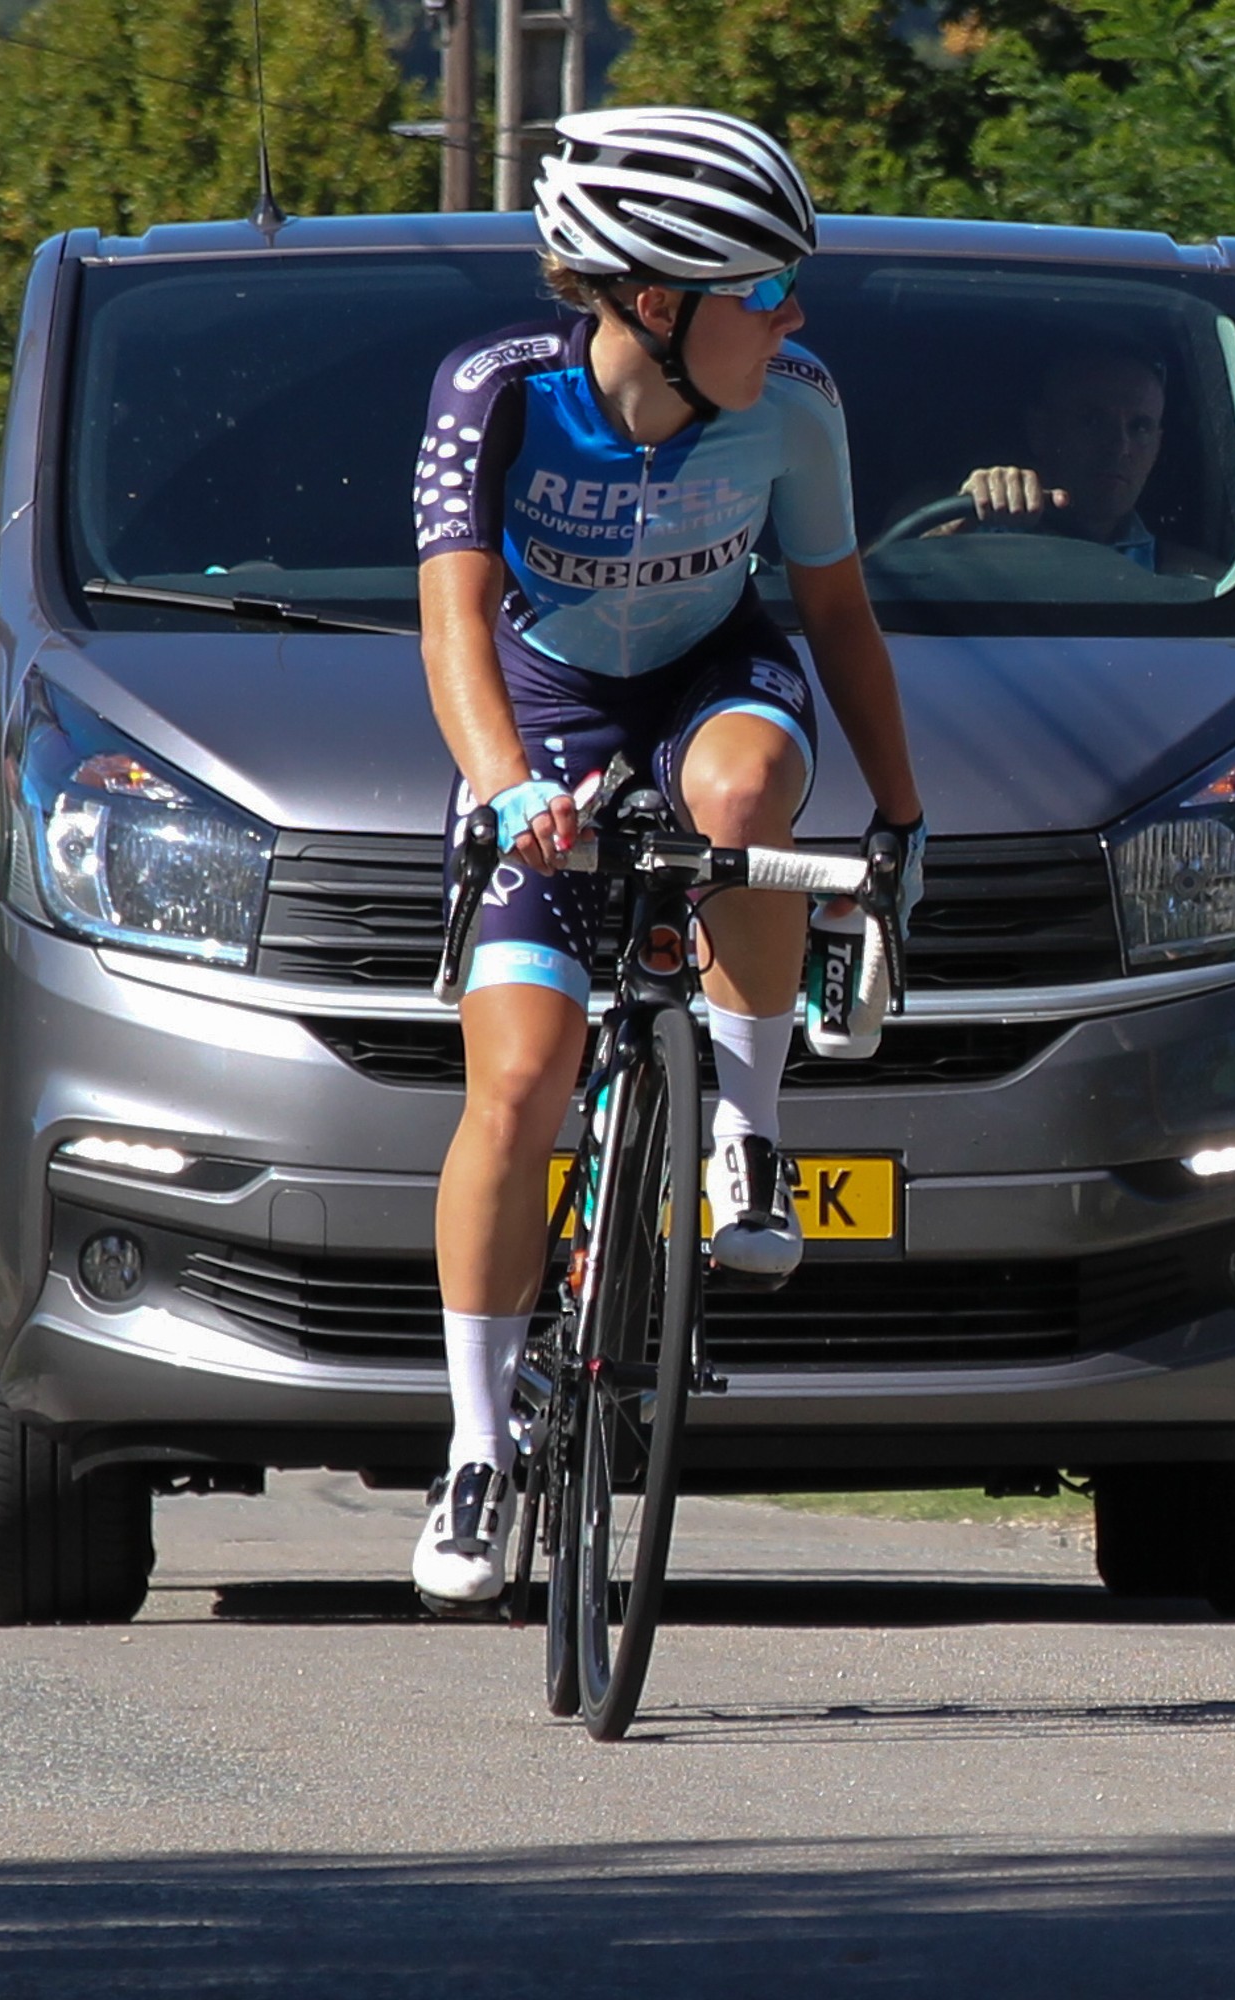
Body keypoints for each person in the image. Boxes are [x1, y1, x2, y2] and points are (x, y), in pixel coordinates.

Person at [411, 107, 926, 1611]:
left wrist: (898, 818)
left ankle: (742, 1129)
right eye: (762, 292)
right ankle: (476, 1447)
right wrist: (507, 794)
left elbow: (836, 619)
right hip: (548, 720)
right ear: (654, 302)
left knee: (749, 793)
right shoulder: (495, 396)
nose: (791, 316)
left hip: (713, 678)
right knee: (515, 1085)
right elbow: (452, 620)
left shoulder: (798, 405)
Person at [939, 346, 1186, 569]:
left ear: (1157, 446)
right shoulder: (960, 523)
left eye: (1139, 427)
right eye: (1092, 421)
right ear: (1039, 431)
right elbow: (905, 559)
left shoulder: (1186, 580)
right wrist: (961, 513)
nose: (1119, 447)